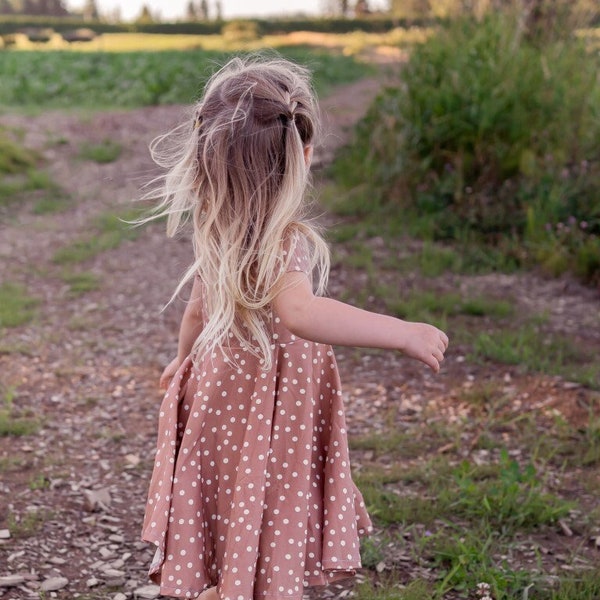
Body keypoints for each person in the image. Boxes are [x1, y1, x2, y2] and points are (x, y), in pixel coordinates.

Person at [141, 54, 449, 600]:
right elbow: (300, 313)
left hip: (218, 394)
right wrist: (401, 331)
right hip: (271, 401)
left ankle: (224, 582)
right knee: (267, 488)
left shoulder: (218, 228)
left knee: (232, 487)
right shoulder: (285, 240)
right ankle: (249, 583)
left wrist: (182, 360)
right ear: (303, 157)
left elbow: (195, 311)